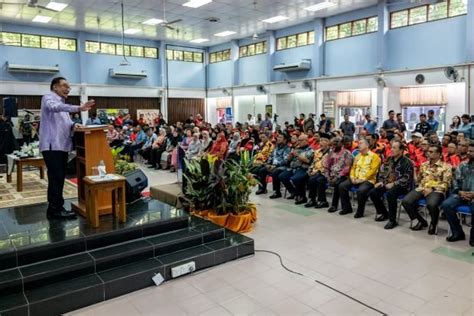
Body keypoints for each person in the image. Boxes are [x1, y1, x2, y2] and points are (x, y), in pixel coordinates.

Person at [40, 77, 94, 219]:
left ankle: (57, 207)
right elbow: (54, 108)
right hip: (52, 146)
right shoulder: (48, 98)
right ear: (55, 87)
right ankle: (54, 210)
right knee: (56, 178)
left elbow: (67, 123)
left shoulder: (62, 105)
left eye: (69, 87)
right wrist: (79, 108)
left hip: (61, 147)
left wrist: (74, 125)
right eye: (64, 86)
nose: (68, 89)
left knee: (59, 178)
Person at [401, 145, 452, 234]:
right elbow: (419, 180)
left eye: (431, 152)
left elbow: (446, 183)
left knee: (431, 204)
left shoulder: (446, 166)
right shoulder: (424, 165)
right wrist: (414, 173)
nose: (428, 153)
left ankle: (433, 223)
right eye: (428, 151)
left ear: (439, 154)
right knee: (406, 201)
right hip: (422, 187)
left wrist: (432, 188)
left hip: (437, 189)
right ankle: (420, 220)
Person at [369, 140, 414, 229]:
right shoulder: (388, 159)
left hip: (402, 186)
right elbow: (382, 172)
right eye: (391, 148)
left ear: (401, 150)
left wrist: (394, 183)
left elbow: (407, 178)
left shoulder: (407, 162)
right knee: (373, 192)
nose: (391, 150)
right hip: (387, 183)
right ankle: (384, 213)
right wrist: (381, 181)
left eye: (394, 148)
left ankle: (392, 220)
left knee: (391, 194)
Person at [441, 140, 474, 245]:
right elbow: (455, 181)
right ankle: (458, 232)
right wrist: (459, 192)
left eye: (472, 151)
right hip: (461, 194)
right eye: (468, 151)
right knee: (446, 205)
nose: (469, 153)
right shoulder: (462, 165)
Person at [339, 138, 381, 217]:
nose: (359, 145)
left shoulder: (375, 157)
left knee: (361, 191)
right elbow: (353, 168)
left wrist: (361, 180)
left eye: (361, 143)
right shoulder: (358, 156)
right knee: (342, 186)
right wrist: (352, 177)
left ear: (367, 145)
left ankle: (360, 211)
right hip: (355, 178)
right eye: (358, 143)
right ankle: (347, 208)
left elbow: (372, 171)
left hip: (368, 180)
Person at [279, 134, 313, 204]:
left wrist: (297, 155)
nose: (299, 142)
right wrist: (290, 157)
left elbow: (308, 161)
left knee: (296, 178)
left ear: (306, 141)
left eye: (300, 141)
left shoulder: (310, 150)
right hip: (293, 168)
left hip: (304, 168)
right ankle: (293, 192)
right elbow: (288, 160)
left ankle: (302, 197)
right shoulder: (296, 148)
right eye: (298, 140)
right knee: (282, 176)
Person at [323, 136, 353, 213]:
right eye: (333, 143)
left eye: (337, 142)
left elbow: (347, 168)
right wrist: (328, 176)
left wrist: (338, 176)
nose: (335, 144)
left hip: (344, 176)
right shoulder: (331, 153)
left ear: (341, 143)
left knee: (338, 184)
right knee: (319, 179)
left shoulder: (346, 153)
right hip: (332, 175)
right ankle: (322, 201)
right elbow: (327, 165)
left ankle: (335, 205)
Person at [304, 133, 331, 208]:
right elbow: (313, 162)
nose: (320, 142)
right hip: (316, 172)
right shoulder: (317, 151)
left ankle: (323, 201)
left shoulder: (331, 153)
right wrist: (310, 170)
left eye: (323, 141)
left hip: (326, 173)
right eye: (320, 140)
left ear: (328, 142)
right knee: (310, 179)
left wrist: (316, 172)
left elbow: (329, 166)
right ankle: (312, 200)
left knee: (319, 180)